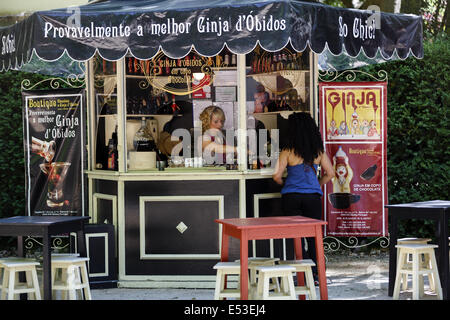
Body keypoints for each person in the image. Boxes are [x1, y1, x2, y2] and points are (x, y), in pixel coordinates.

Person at [272, 112, 334, 280]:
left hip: (291, 196)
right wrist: (316, 185)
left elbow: (276, 175)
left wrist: (285, 184)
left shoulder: (287, 150)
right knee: (314, 236)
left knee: (295, 236)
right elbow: (330, 173)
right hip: (312, 197)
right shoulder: (318, 151)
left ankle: (302, 271)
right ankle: (317, 273)